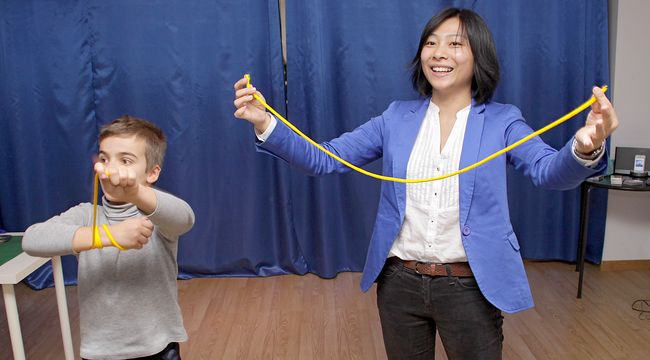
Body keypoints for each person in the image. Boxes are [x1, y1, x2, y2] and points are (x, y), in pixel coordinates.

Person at [233, 7, 618, 360]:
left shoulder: (503, 121)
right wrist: (265, 122)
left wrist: (585, 147)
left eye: (455, 44)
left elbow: (549, 171)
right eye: (430, 43)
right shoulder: (395, 117)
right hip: (400, 284)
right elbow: (322, 159)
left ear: (478, 56)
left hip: (470, 287)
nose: (438, 52)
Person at [23, 116, 195, 360]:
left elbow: (184, 218)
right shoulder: (86, 214)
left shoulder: (157, 214)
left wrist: (135, 191)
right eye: (105, 159)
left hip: (157, 348)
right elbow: (32, 239)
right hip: (100, 352)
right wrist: (110, 235)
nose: (110, 168)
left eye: (125, 160)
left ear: (152, 173)